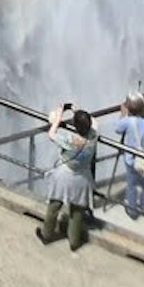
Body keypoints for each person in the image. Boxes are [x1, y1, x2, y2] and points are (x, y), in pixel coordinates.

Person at [38, 104, 98, 248]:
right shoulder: (94, 136)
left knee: (55, 205)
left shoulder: (70, 138)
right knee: (77, 211)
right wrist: (77, 110)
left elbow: (52, 134)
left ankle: (47, 234)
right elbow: (95, 123)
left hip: (65, 175)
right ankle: (74, 241)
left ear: (75, 126)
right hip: (83, 177)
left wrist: (59, 116)